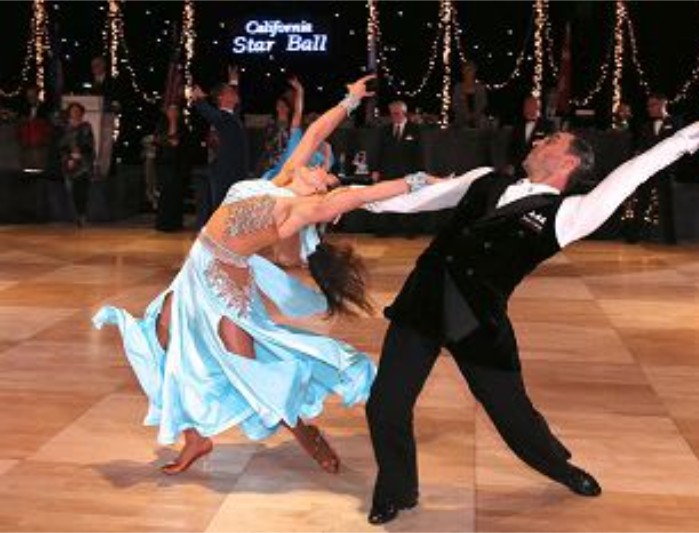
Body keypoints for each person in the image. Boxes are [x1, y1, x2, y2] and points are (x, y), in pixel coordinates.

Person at [365, 120, 699, 525]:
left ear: (569, 160)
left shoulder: (570, 214)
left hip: (477, 322)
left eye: (551, 140)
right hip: (422, 301)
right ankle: (397, 490)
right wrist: (349, 202)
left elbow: (634, 171)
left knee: (514, 419)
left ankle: (560, 468)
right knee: (385, 406)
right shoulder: (486, 179)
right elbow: (420, 199)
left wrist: (693, 135)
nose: (538, 140)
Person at [92, 74, 442, 476]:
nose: (317, 168)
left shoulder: (301, 209)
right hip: (195, 269)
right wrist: (349, 101)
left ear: (320, 193)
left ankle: (304, 432)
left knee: (250, 367)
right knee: (163, 339)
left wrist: (419, 181)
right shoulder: (282, 180)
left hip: (224, 285)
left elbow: (361, 194)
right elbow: (313, 134)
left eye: (324, 175)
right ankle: (195, 437)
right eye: (317, 165)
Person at [623, 93, 684, 244]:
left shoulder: (675, 122)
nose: (649, 108)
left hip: (665, 170)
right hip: (647, 170)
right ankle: (633, 238)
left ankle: (670, 240)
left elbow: (680, 146)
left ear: (663, 104)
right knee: (641, 202)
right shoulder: (646, 126)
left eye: (653, 105)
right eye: (648, 105)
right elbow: (640, 147)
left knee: (666, 205)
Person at [192, 67, 249, 212]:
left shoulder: (233, 116)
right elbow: (209, 113)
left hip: (237, 171)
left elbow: (235, 104)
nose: (235, 94)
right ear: (221, 98)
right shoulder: (222, 117)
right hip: (225, 173)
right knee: (223, 210)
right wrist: (199, 99)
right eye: (231, 92)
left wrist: (234, 81)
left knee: (235, 209)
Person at [262, 77, 332, 181]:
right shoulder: (294, 140)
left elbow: (325, 172)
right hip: (277, 174)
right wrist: (300, 91)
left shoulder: (324, 147)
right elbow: (297, 114)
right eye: (278, 105)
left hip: (302, 181)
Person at [58, 102, 95, 227]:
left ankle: (82, 215)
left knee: (82, 189)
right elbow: (61, 145)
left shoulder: (86, 126)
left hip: (83, 162)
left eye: (78, 111)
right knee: (71, 190)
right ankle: (76, 214)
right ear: (69, 112)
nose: (76, 113)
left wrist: (79, 155)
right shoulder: (64, 127)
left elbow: (89, 144)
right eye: (73, 110)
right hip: (68, 162)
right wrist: (69, 158)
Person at [154, 104, 190, 232]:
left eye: (176, 110)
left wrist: (173, 137)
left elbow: (180, 142)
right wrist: (169, 140)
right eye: (171, 110)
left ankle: (175, 223)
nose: (173, 112)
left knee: (176, 194)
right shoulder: (161, 125)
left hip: (178, 166)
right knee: (165, 194)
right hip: (164, 164)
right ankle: (163, 224)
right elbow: (161, 140)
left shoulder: (182, 126)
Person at [371, 100, 424, 183]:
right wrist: (375, 170)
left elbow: (421, 152)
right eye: (392, 113)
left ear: (404, 112)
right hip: (387, 174)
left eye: (397, 113)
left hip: (408, 175)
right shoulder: (384, 130)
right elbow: (378, 151)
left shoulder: (416, 130)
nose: (394, 116)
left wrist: (421, 172)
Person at [506, 95, 556, 175]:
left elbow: (551, 148)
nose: (526, 109)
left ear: (537, 108)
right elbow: (512, 146)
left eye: (530, 106)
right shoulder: (518, 125)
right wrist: (511, 164)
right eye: (525, 106)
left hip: (538, 169)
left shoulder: (547, 126)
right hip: (518, 169)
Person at [452, 61, 488, 128]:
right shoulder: (458, 87)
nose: (468, 73)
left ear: (474, 72)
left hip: (478, 121)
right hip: (461, 121)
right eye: (466, 70)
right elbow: (455, 104)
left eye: (470, 70)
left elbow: (483, 103)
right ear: (462, 72)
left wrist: (474, 115)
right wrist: (465, 114)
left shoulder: (480, 88)